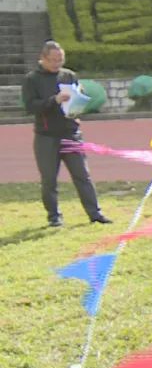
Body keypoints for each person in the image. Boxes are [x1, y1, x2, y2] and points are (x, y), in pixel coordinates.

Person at [21, 40, 111, 228]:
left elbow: (79, 98)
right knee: (49, 179)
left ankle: (95, 214)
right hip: (46, 136)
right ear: (43, 59)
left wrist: (79, 101)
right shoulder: (32, 79)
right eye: (53, 60)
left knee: (82, 175)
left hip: (71, 133)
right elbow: (30, 106)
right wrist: (54, 100)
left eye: (60, 59)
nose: (57, 64)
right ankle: (54, 216)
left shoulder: (69, 75)